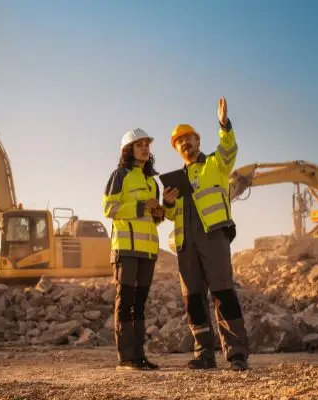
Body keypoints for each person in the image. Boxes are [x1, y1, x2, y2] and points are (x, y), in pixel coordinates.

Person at [161, 96, 249, 371]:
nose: (185, 144)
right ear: (176, 149)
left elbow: (229, 148)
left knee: (223, 292)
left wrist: (224, 125)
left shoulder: (215, 164)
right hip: (185, 243)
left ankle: (236, 354)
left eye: (189, 139)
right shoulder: (175, 181)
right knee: (193, 299)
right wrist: (168, 202)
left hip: (213, 236)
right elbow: (168, 216)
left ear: (198, 141)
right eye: (180, 142)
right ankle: (204, 354)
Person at [102, 128, 165, 371]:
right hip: (125, 250)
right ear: (128, 150)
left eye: (147, 144)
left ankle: (139, 356)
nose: (145, 148)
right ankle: (126, 358)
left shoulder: (152, 182)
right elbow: (110, 208)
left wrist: (159, 211)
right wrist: (141, 206)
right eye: (139, 144)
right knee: (125, 302)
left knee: (139, 305)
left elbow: (153, 220)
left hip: (147, 252)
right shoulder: (120, 175)